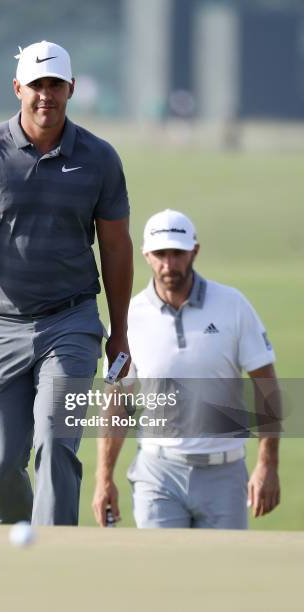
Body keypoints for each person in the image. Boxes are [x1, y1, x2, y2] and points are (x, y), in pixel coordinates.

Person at [0, 40, 133, 525]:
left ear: (70, 88)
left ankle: (57, 565)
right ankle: (20, 550)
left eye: (54, 85)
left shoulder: (99, 158)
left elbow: (115, 248)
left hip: (71, 322)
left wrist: (121, 333)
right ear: (17, 88)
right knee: (3, 465)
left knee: (56, 443)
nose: (45, 95)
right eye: (36, 85)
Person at [92, 209, 280, 529]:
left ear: (194, 250)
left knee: (222, 577)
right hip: (157, 474)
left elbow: (267, 387)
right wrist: (103, 478)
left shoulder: (233, 305)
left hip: (225, 475)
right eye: (160, 254)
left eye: (178, 253)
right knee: (160, 576)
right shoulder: (128, 319)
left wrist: (268, 464)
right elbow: (116, 404)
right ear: (146, 255)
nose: (169, 264)